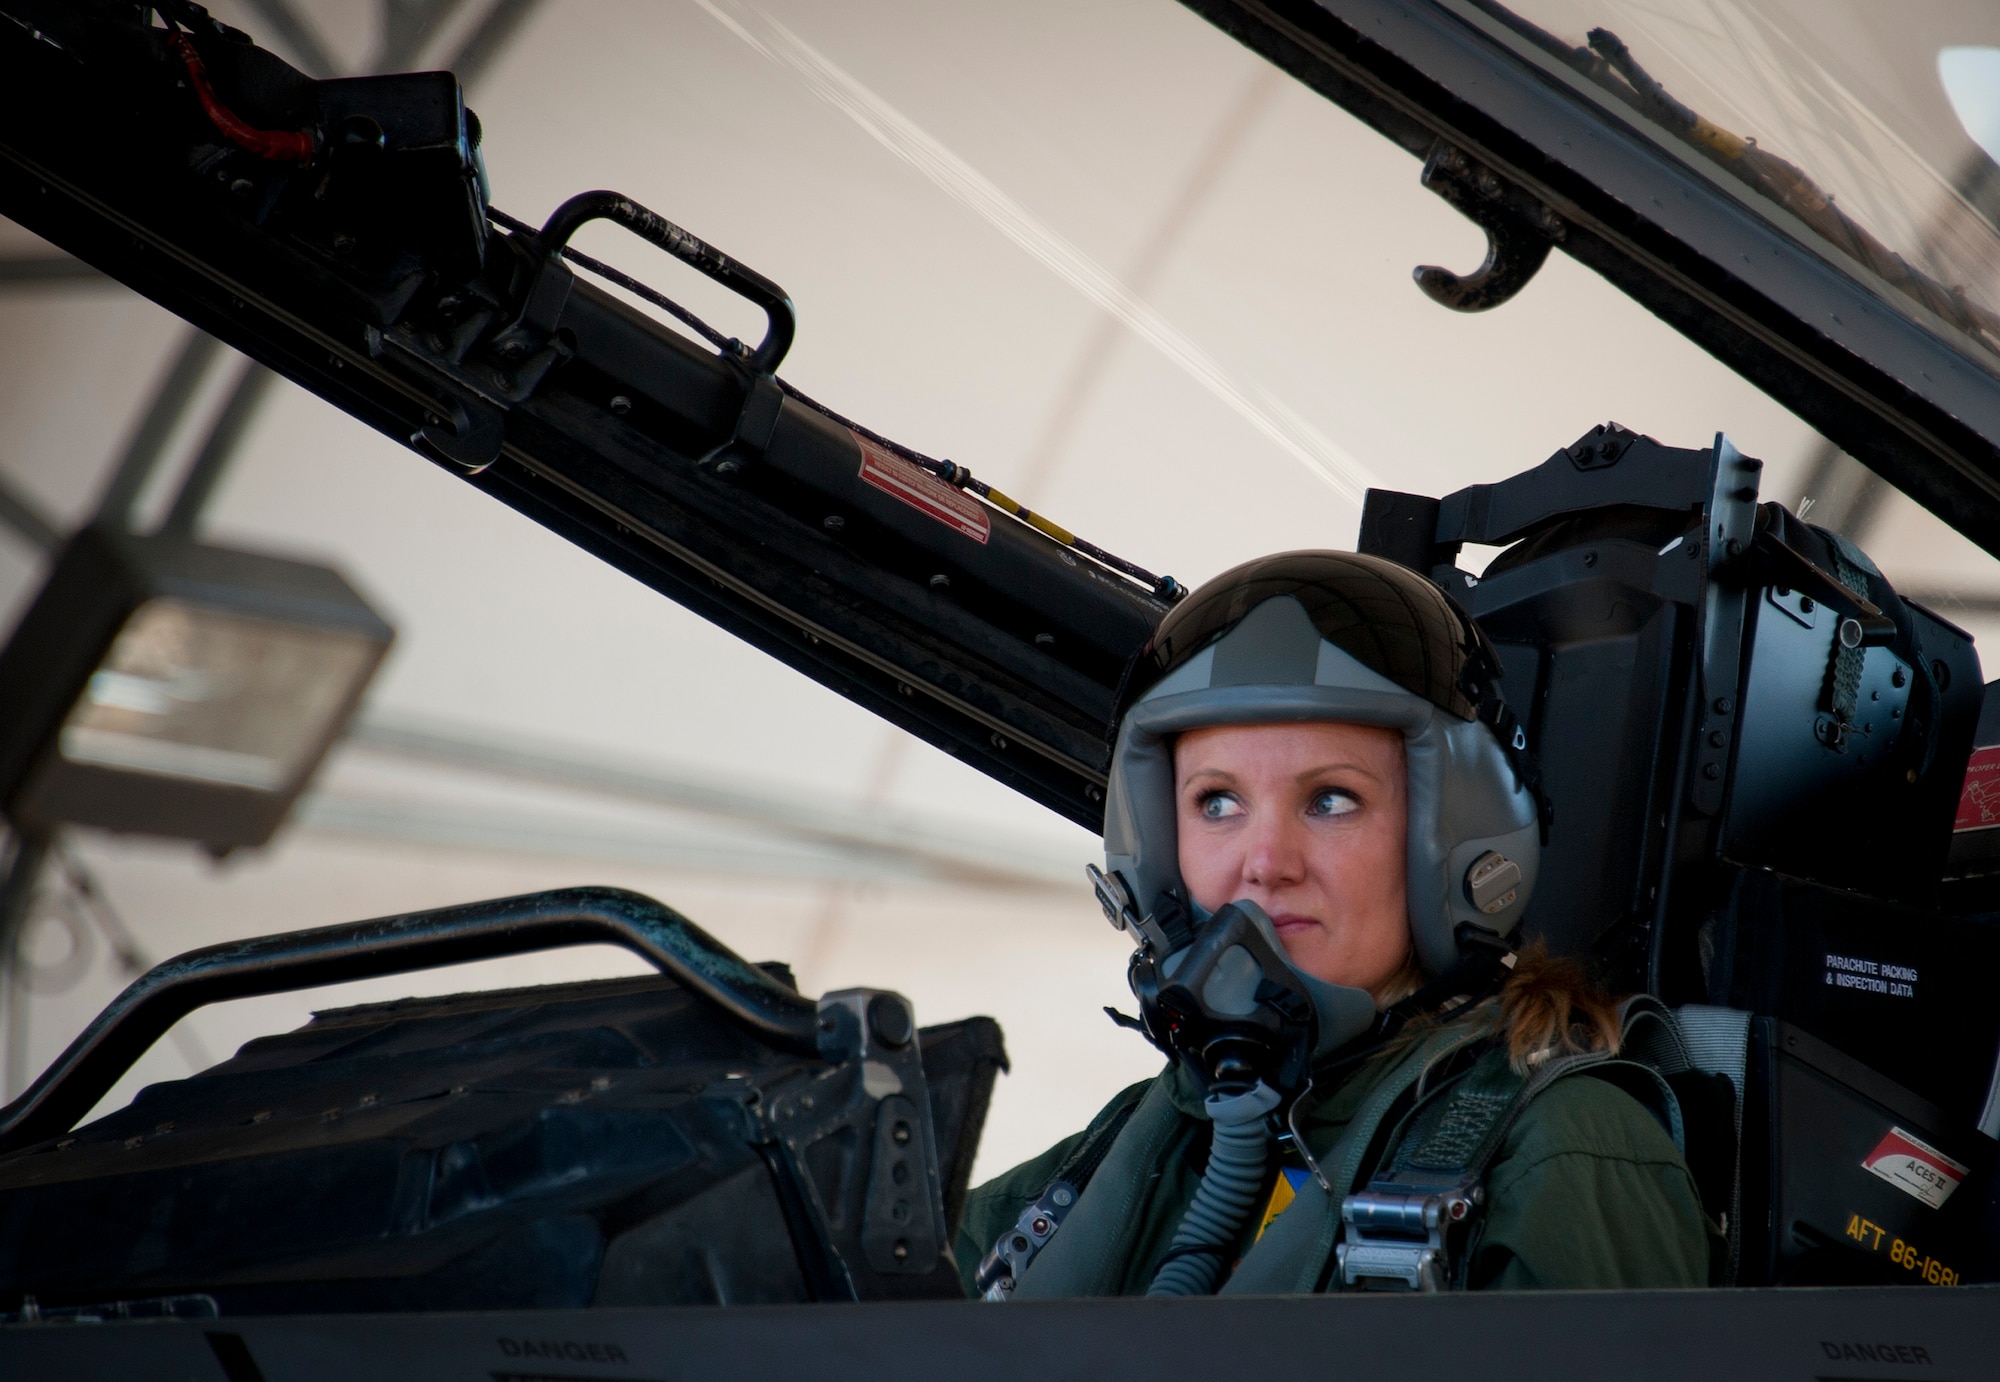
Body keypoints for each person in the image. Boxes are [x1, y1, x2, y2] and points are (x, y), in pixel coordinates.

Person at [957, 551, 1718, 1298]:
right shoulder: (1052, 1202)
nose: (1265, 863)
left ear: (1456, 837)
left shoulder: (1564, 1160)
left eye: (1330, 800)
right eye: (1217, 802)